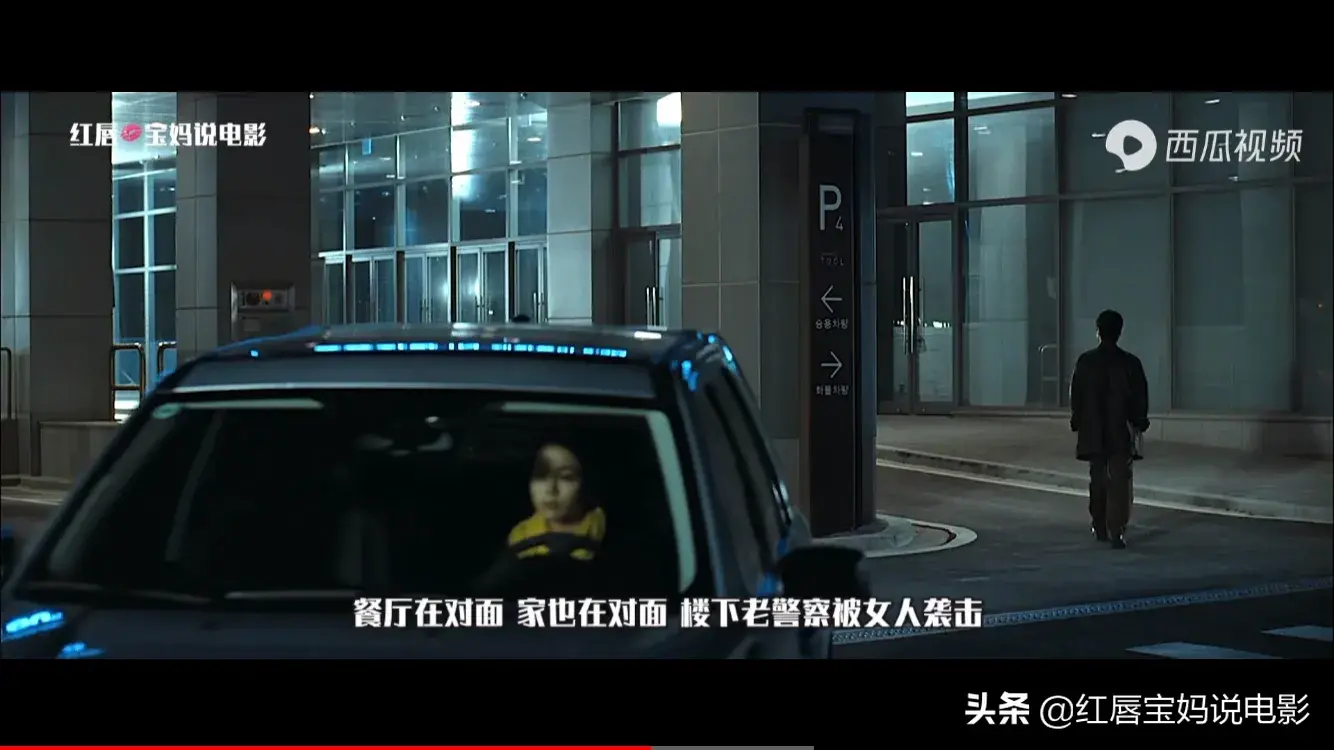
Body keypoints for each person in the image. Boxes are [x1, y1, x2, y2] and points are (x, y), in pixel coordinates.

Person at [1070, 309, 1149, 550]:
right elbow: (1139, 397)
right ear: (1119, 332)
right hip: (1120, 431)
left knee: (1097, 478)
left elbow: (1076, 395)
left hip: (1093, 430)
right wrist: (1139, 421)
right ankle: (1117, 529)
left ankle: (1099, 523)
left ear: (1098, 331)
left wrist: (1077, 420)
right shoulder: (1130, 363)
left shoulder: (1085, 362)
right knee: (1119, 481)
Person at [507, 442, 606, 561]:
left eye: (566, 477)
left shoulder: (605, 527)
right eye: (541, 476)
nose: (551, 489)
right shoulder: (521, 534)